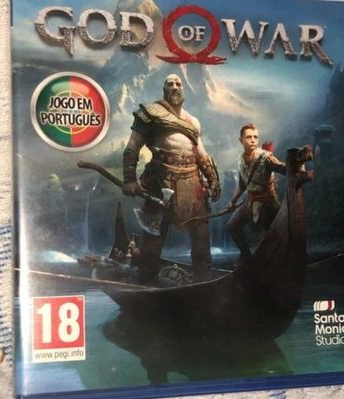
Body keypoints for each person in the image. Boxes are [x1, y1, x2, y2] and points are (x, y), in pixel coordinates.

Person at [122, 74, 220, 283]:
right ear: (164, 89)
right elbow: (132, 147)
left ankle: (205, 283)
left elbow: (201, 154)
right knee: (153, 239)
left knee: (201, 240)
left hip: (193, 183)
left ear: (183, 89)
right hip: (161, 181)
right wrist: (129, 179)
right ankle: (146, 283)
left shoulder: (193, 121)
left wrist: (213, 180)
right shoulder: (150, 114)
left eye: (178, 84)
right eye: (170, 84)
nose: (175, 87)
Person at [227, 124, 285, 258]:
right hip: (251, 201)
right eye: (248, 137)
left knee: (272, 233)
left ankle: (274, 261)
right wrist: (232, 202)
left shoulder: (267, 157)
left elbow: (283, 168)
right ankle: (246, 257)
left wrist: (296, 164)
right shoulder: (241, 160)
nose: (253, 140)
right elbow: (242, 186)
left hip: (268, 201)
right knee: (232, 226)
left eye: (255, 137)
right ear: (241, 140)